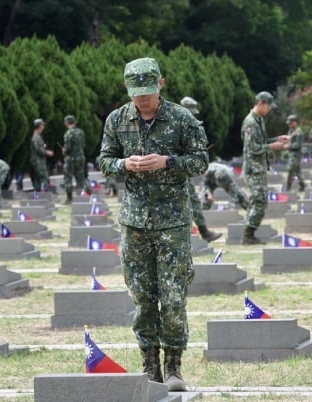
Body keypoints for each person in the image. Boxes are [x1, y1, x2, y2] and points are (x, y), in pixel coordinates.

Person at [99, 57, 208, 391]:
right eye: (136, 92)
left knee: (173, 296)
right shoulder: (117, 119)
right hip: (134, 222)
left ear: (161, 84)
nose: (142, 99)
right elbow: (104, 160)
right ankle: (150, 366)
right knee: (143, 298)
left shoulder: (181, 118)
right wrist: (124, 164)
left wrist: (167, 161)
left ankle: (173, 366)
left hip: (172, 220)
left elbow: (201, 160)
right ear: (128, 89)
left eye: (147, 91)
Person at [241, 92, 289, 245]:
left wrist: (277, 139)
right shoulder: (250, 122)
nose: (269, 109)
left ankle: (248, 235)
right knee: (260, 200)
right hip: (253, 168)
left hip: (259, 167)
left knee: (257, 200)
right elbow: (253, 147)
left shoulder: (258, 120)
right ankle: (248, 234)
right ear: (260, 103)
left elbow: (261, 141)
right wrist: (271, 146)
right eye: (268, 106)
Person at [180, 96, 222, 242]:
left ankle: (203, 232)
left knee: (189, 202)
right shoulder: (180, 125)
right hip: (180, 171)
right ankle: (204, 232)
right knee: (191, 201)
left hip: (183, 169)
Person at [62, 115, 90, 204]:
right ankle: (88, 191)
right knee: (81, 177)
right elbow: (83, 144)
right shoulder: (81, 132)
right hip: (80, 157)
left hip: (70, 159)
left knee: (68, 177)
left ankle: (69, 198)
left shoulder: (68, 133)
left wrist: (64, 151)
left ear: (66, 123)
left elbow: (68, 148)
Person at [29, 118, 54, 191]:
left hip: (39, 160)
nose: (43, 126)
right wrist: (47, 152)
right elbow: (38, 149)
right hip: (38, 161)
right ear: (40, 126)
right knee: (43, 177)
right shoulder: (36, 137)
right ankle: (44, 194)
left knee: (38, 179)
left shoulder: (38, 136)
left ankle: (39, 194)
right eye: (42, 124)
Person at [284, 114, 306, 192]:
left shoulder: (298, 132)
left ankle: (288, 187)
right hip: (291, 153)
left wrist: (289, 146)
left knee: (290, 169)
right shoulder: (290, 131)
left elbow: (298, 144)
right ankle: (302, 185)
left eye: (290, 123)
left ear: (295, 122)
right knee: (297, 170)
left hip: (296, 154)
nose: (289, 125)